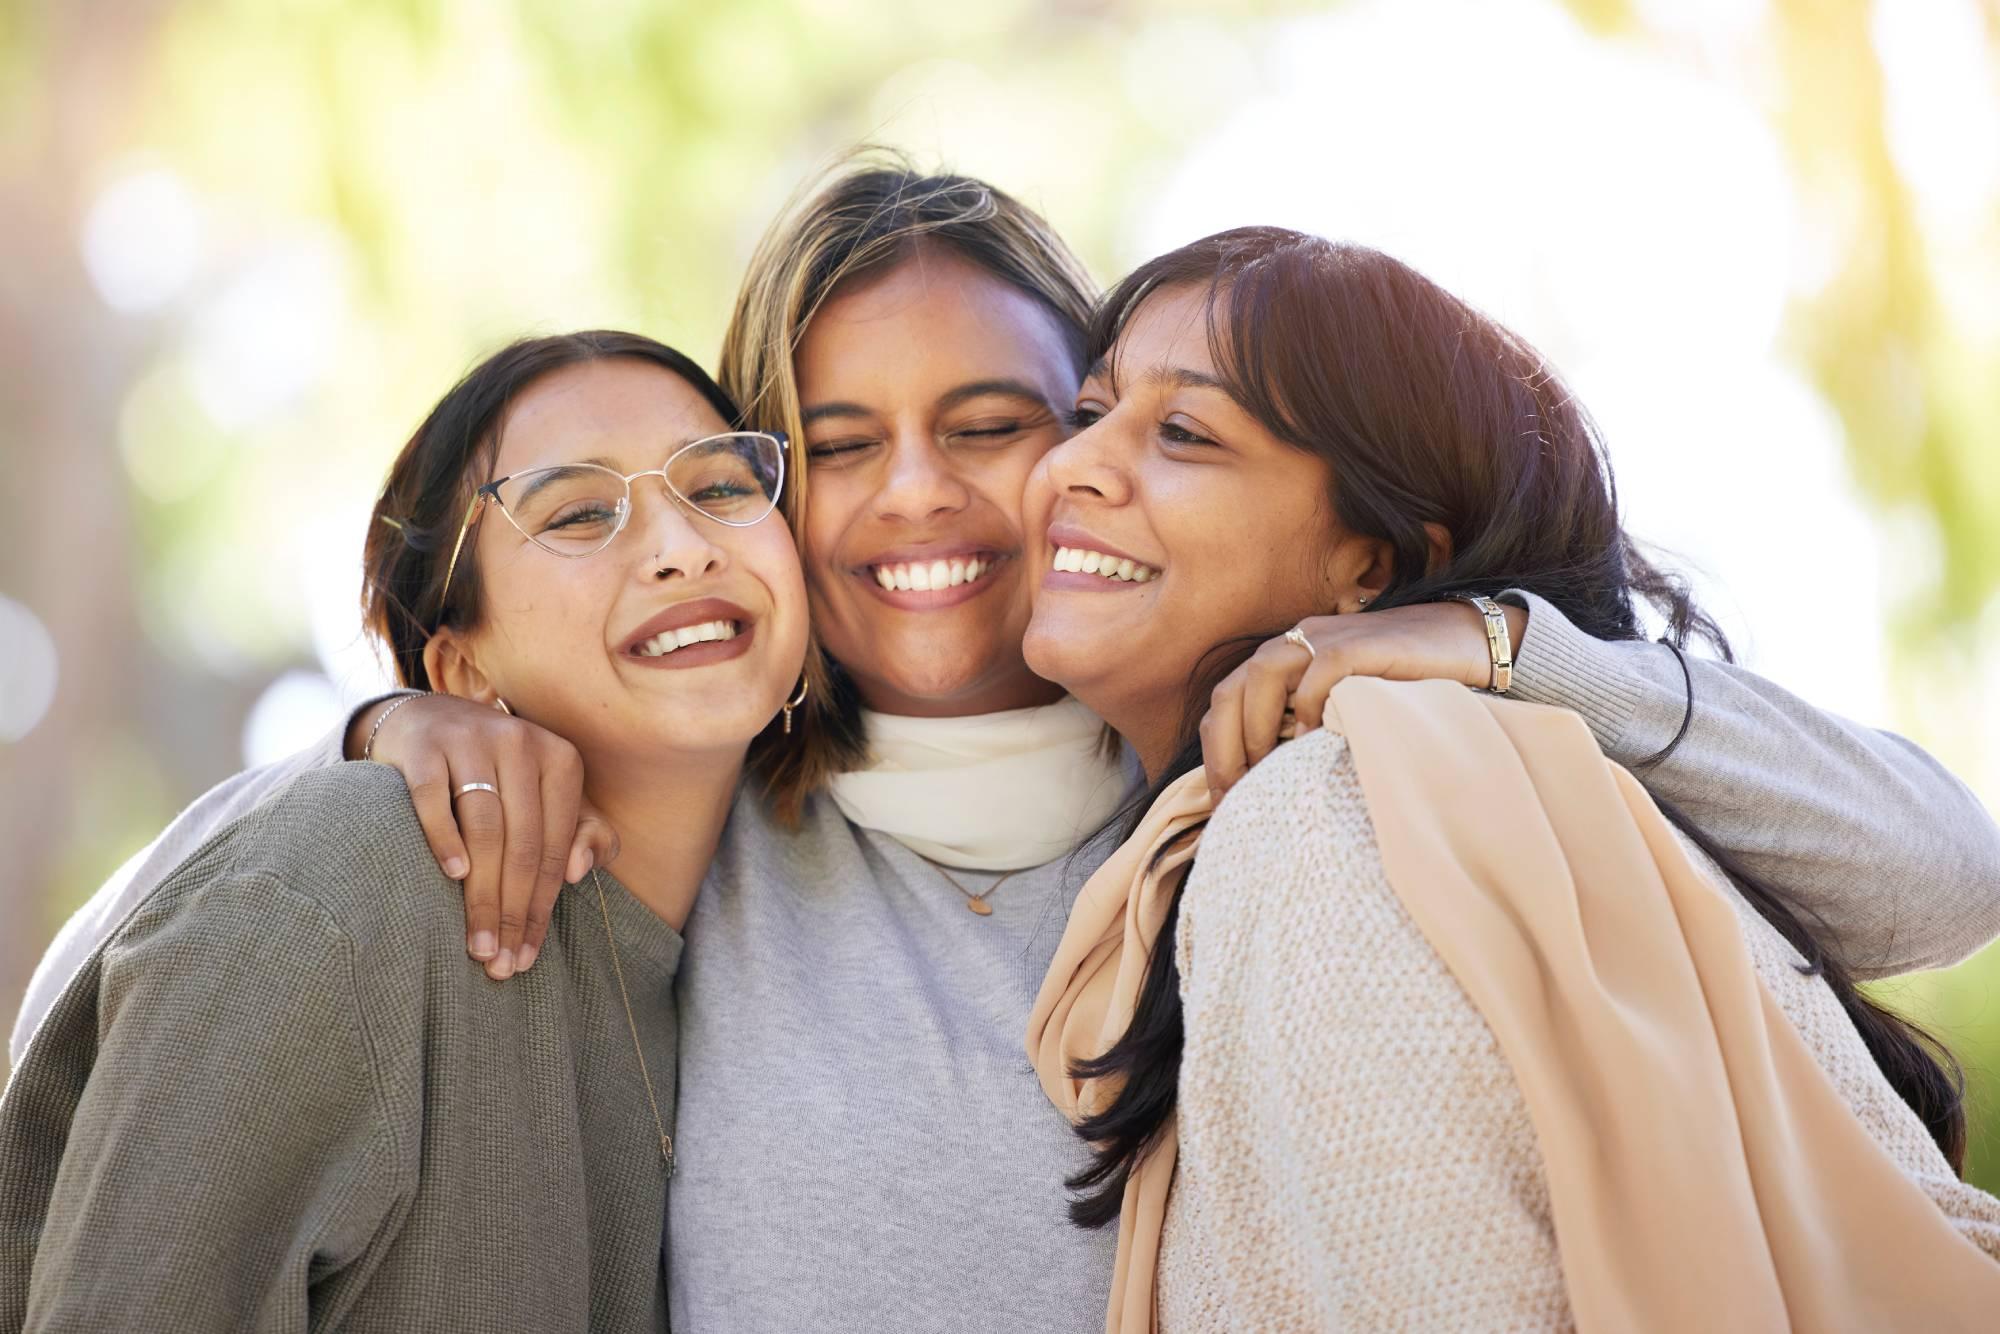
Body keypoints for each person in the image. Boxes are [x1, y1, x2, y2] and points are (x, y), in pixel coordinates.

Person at [13, 164, 2000, 1330]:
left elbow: (1938, 868)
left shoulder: (1277, 796)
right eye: (838, 444)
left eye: (995, 419)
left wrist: (1496, 646)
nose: (922, 508)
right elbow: (228, 943)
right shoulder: (699, 837)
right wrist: (402, 719)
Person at [1022, 229, 2000, 1331]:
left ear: (1369, 568)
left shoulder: (1330, 814)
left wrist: (1509, 646)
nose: (1070, 465)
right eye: (1087, 412)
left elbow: (1959, 873)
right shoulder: (1287, 836)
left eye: (1184, 432)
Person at [0, 331, 808, 1331]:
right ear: (460, 669)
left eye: (723, 487)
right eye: (580, 511)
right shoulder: (351, 882)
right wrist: (364, 733)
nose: (684, 546)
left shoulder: (795, 931)